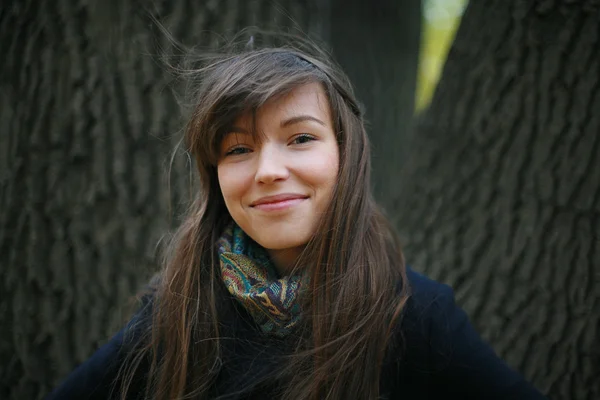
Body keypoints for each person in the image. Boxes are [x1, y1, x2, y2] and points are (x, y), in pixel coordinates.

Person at [45, 34, 547, 400]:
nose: (267, 171)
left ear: (345, 154)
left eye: (301, 138)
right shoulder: (177, 309)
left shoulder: (414, 316)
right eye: (238, 149)